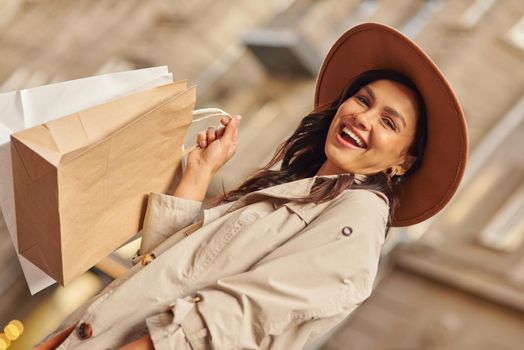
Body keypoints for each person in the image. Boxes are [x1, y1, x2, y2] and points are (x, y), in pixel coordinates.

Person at [36, 22, 468, 350]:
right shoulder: (299, 191)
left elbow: (241, 315)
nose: (363, 117)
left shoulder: (360, 215)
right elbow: (167, 267)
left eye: (389, 123)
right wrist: (199, 173)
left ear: (400, 162)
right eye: (363, 100)